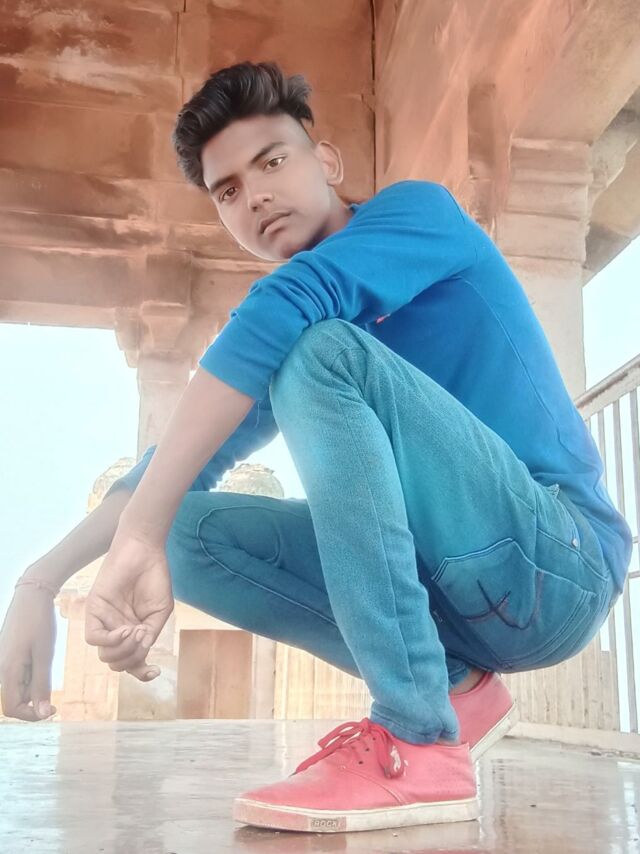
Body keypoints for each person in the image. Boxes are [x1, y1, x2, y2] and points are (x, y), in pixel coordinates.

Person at [0, 60, 632, 835]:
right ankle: (453, 691)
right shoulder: (297, 340)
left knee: (313, 344)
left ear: (325, 160)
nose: (255, 195)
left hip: (558, 563)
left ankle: (417, 742)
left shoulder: (417, 216)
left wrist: (134, 532)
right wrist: (42, 580)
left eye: (272, 161)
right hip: (454, 598)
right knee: (181, 530)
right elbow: (169, 469)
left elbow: (291, 305)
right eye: (228, 191)